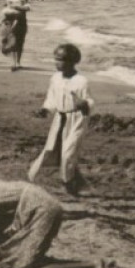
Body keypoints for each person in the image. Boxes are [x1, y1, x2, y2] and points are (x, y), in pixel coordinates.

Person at [0, 167, 108, 268]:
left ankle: (89, 266)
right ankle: (84, 266)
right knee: (22, 257)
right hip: (44, 203)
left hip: (40, 208)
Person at [29, 43, 92, 194]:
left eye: (61, 60)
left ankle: (69, 184)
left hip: (76, 119)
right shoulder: (55, 78)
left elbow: (89, 101)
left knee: (68, 152)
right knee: (53, 150)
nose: (57, 63)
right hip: (59, 118)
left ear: (71, 61)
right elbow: (51, 97)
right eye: (55, 59)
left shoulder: (81, 81)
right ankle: (76, 182)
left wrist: (83, 104)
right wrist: (45, 109)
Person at [0, 0, 29, 70]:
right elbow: (6, 9)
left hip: (21, 21)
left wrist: (16, 7)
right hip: (9, 21)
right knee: (12, 41)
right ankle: (14, 62)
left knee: (20, 42)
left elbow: (27, 8)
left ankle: (18, 62)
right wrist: (2, 19)